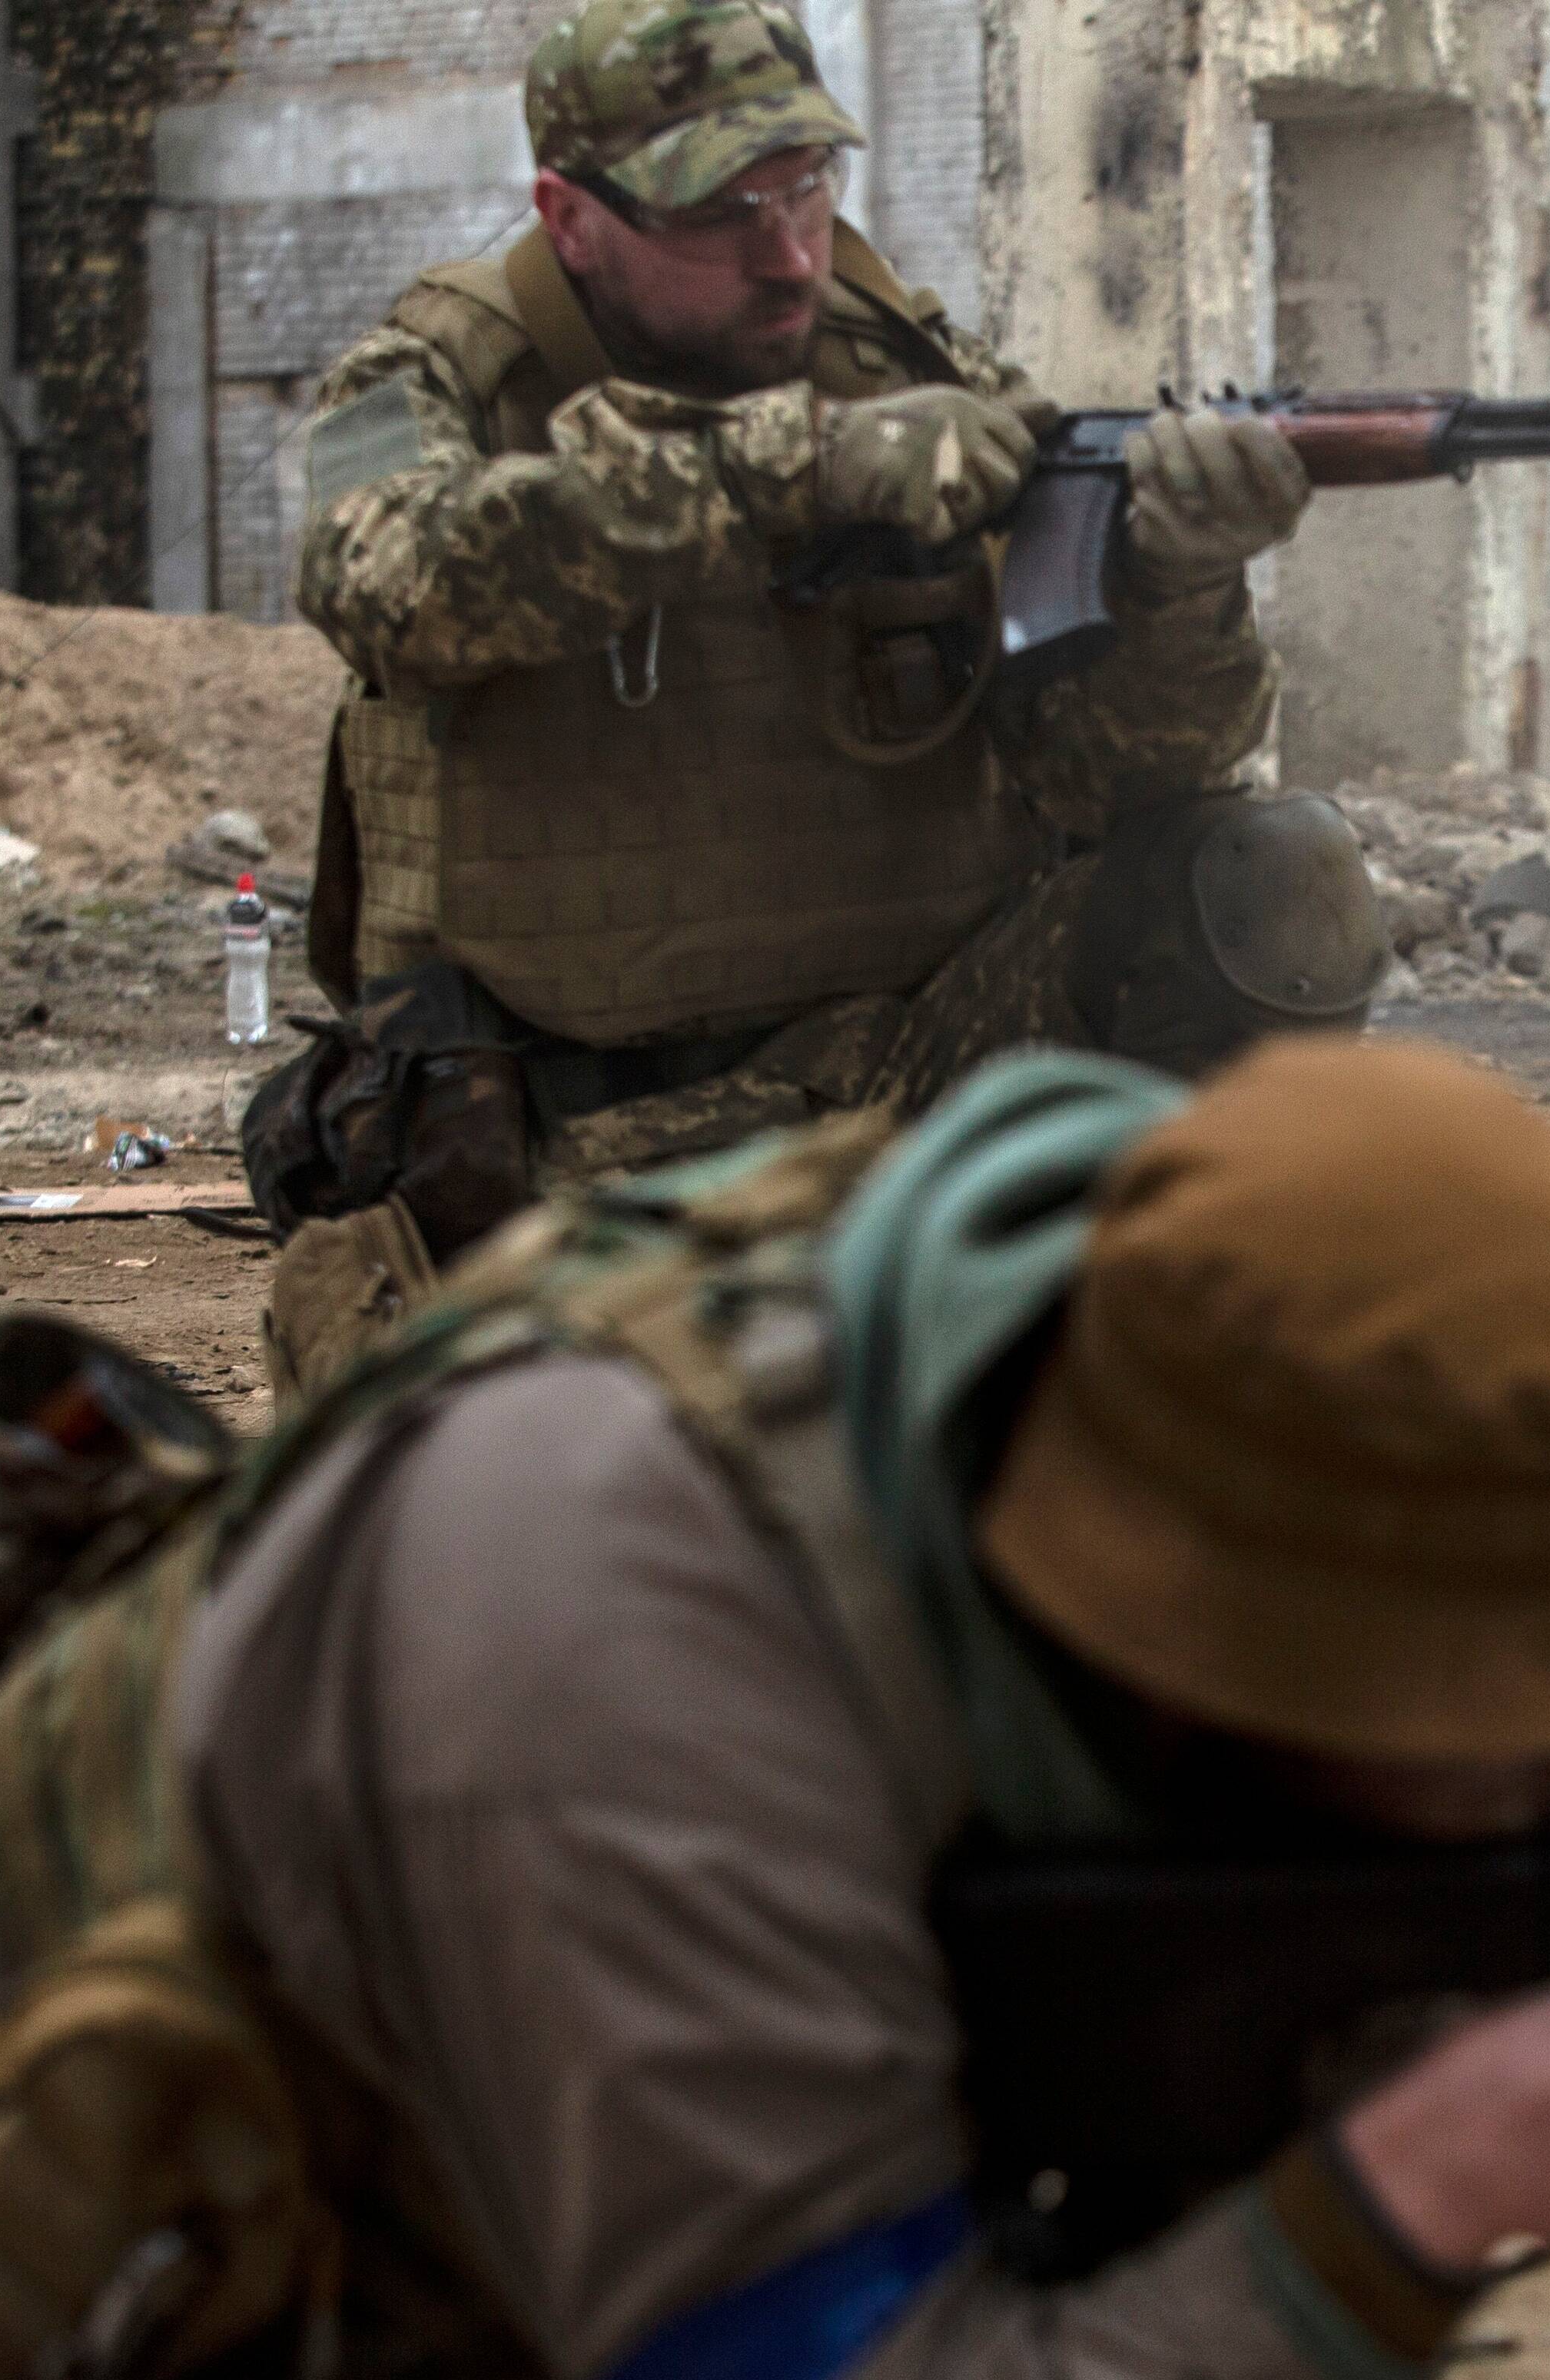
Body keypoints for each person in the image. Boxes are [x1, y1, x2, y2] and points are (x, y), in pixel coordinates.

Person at [0, 1039, 1550, 2380]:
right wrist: (1403, 2195)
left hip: (515, 2194)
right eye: (1533, 1701)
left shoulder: (1077, 1315)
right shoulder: (622, 1678)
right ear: (1221, 1642)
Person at [253, 0, 1387, 1391]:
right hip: (561, 1131)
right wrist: (785, 470)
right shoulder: (447, 373)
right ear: (572, 215)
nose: (787, 252)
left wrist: (1179, 581)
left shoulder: (908, 369)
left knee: (1266, 873)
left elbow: (1122, 775)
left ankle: (1139, 1358)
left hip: (906, 1068)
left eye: (805, 187)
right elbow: (382, 576)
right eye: (724, 211)